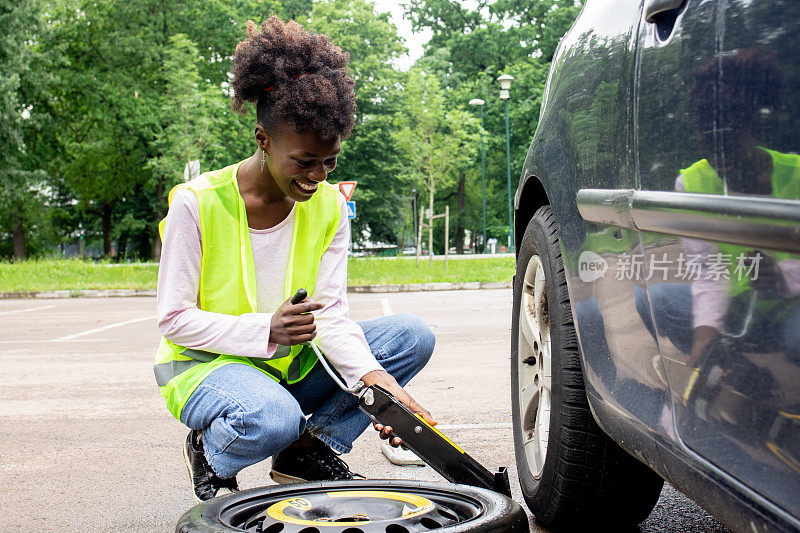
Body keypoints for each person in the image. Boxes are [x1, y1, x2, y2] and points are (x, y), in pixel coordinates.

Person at [154, 16, 436, 503]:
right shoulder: (195, 203)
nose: (317, 176)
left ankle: (307, 452)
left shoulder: (327, 206)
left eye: (329, 161)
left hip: (286, 367)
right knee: (273, 417)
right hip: (204, 367)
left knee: (409, 337)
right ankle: (210, 449)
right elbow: (173, 320)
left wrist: (378, 386)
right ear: (263, 139)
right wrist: (268, 329)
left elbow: (328, 314)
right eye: (304, 161)